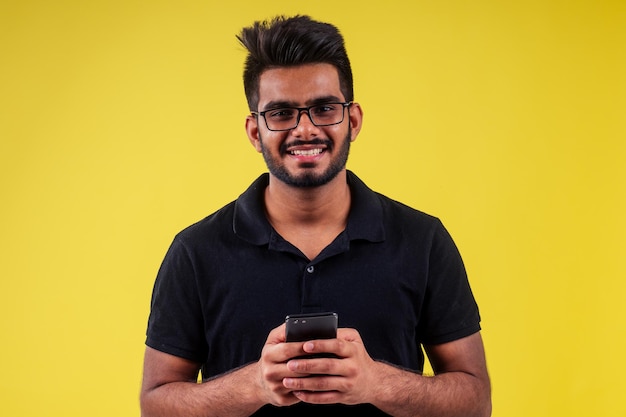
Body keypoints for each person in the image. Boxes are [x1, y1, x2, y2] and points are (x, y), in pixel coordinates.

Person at [140, 15, 491, 417]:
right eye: (281, 113)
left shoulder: (423, 240)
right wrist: (254, 384)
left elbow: (476, 402)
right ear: (255, 131)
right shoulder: (195, 251)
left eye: (324, 108)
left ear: (353, 120)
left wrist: (376, 382)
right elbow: (155, 405)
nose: (304, 129)